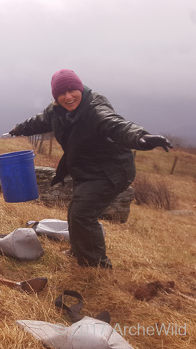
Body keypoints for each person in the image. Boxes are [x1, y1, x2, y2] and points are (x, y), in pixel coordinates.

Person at [9, 69, 172, 268]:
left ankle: (96, 266)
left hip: (110, 172)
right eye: (62, 93)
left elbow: (115, 125)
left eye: (72, 91)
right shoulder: (57, 110)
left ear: (80, 88)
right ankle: (80, 252)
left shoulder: (95, 107)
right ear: (56, 97)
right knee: (75, 212)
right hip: (86, 171)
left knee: (82, 214)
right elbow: (40, 121)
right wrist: (19, 129)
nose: (68, 97)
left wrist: (141, 137)